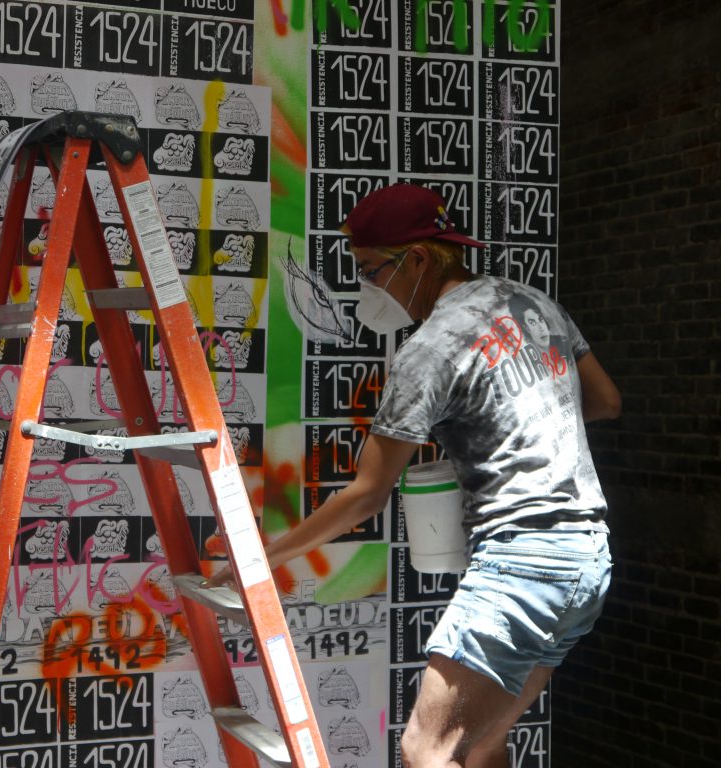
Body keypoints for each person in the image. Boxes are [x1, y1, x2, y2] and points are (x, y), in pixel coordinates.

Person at [210, 183, 621, 768]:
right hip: (586, 560)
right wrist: (510, 422)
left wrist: (262, 558)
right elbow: (605, 401)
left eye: (370, 271)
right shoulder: (532, 302)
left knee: (426, 750)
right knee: (481, 744)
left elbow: (366, 495)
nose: (366, 288)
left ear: (420, 259)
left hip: (523, 563)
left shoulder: (431, 348)